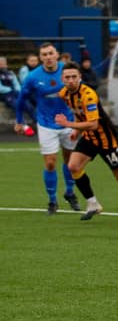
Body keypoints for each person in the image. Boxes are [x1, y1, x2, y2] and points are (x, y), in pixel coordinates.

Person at [54, 62, 118, 221]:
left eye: (74, 76)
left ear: (80, 77)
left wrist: (68, 125)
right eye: (67, 77)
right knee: (73, 166)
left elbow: (93, 124)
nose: (71, 80)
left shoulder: (88, 95)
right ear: (62, 79)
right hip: (89, 138)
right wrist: (76, 130)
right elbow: (81, 115)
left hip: (107, 140)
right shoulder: (64, 94)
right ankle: (92, 203)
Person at [14, 43, 81, 214]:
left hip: (68, 122)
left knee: (70, 162)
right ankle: (52, 201)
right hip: (45, 123)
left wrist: (82, 119)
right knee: (50, 163)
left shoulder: (67, 72)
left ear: (57, 54)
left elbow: (81, 93)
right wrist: (20, 121)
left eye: (51, 53)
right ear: (40, 57)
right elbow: (21, 99)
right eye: (44, 54)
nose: (48, 57)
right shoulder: (33, 77)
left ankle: (70, 192)